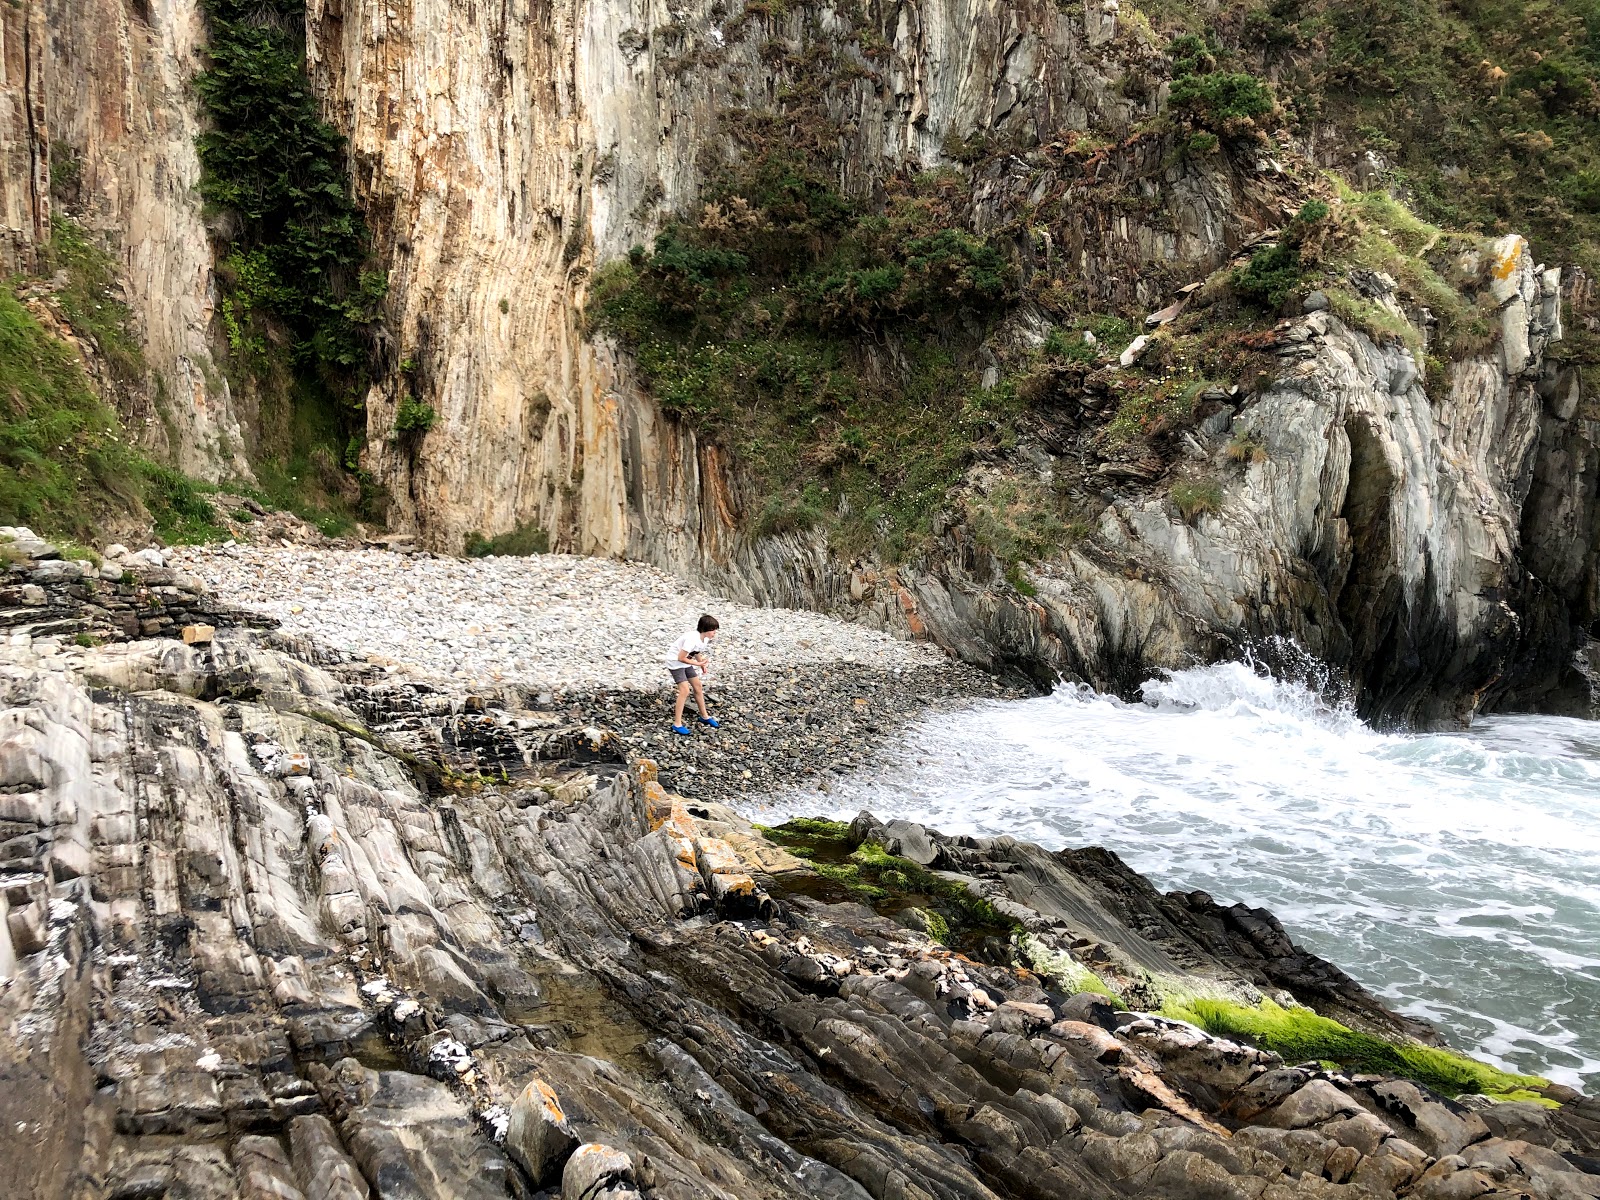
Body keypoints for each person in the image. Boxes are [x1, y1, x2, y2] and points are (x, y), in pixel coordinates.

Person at [666, 614, 721, 735]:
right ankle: (677, 724)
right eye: (712, 630)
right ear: (705, 629)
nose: (714, 632)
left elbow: (696, 652)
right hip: (675, 663)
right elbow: (680, 658)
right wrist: (697, 663)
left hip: (686, 662)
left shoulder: (704, 639)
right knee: (684, 691)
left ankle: (704, 716)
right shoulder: (692, 639)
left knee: (698, 686)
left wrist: (701, 664)